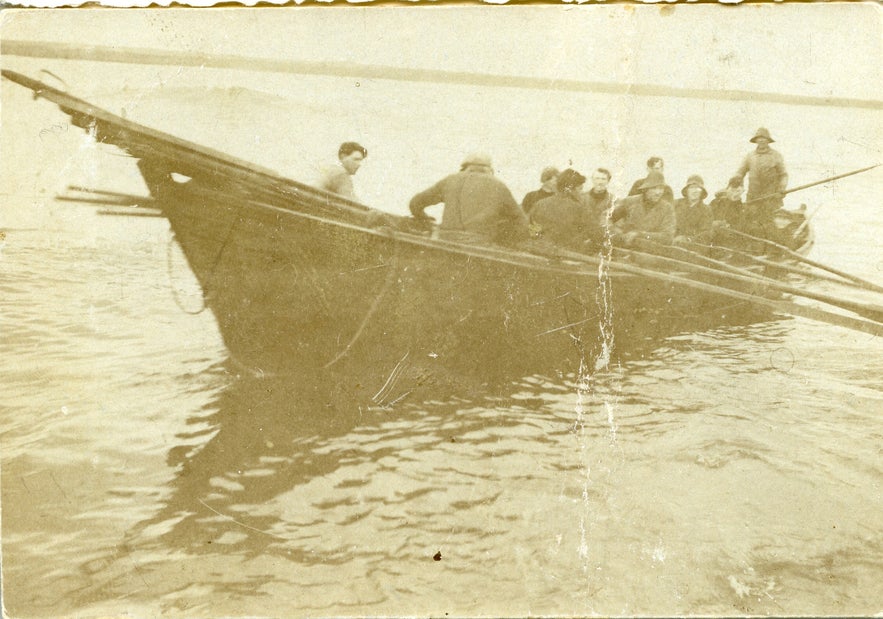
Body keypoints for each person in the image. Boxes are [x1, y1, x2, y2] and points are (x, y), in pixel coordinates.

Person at [409, 153, 528, 244]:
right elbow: (522, 222)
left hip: (446, 239)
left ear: (464, 167)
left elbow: (415, 203)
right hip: (479, 244)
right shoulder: (498, 186)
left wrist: (424, 218)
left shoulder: (450, 180)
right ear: (489, 170)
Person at [528, 169, 604, 252]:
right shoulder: (579, 208)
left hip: (541, 253)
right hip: (569, 256)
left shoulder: (539, 204)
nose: (581, 193)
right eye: (580, 189)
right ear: (571, 189)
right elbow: (598, 234)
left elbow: (531, 231)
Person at [734, 127, 788, 227]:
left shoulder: (776, 155)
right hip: (753, 196)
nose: (762, 140)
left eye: (764, 138)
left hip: (771, 197)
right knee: (751, 221)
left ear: (768, 140)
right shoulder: (750, 156)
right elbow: (740, 172)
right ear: (756, 140)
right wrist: (735, 184)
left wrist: (781, 188)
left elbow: (783, 175)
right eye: (759, 138)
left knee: (769, 223)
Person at [611, 170, 676, 247]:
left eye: (661, 188)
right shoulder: (630, 201)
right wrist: (617, 232)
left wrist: (640, 234)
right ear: (646, 189)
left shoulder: (667, 209)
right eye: (654, 188)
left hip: (649, 253)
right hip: (624, 247)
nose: (658, 192)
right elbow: (607, 217)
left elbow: (667, 237)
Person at [673, 175, 714, 246]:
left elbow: (706, 234)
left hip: (691, 247)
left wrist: (688, 239)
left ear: (702, 192)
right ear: (687, 190)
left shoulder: (706, 210)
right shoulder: (676, 204)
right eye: (691, 188)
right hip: (671, 243)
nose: (695, 191)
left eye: (698, 188)